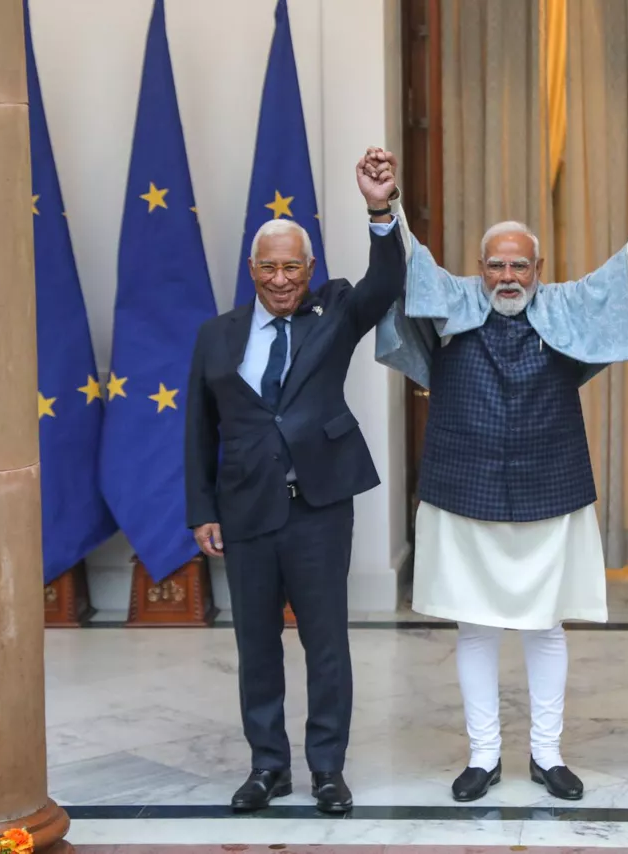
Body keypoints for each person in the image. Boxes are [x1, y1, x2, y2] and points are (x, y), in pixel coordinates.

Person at [370, 152, 628, 802]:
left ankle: (546, 755)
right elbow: (408, 263)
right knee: (474, 626)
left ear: (539, 269)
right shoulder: (449, 303)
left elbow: (626, 275)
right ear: (481, 270)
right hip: (461, 489)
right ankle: (481, 758)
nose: (508, 275)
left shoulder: (566, 307)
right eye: (497, 264)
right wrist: (383, 206)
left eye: (520, 264)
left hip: (551, 487)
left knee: (544, 625)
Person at [184, 149, 405, 814]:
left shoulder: (333, 312)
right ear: (252, 271)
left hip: (318, 507)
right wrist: (202, 510)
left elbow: (386, 279)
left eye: (292, 266)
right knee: (255, 646)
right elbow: (197, 428)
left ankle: (328, 770)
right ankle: (268, 767)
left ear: (310, 271)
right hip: (245, 508)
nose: (281, 278)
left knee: (325, 643)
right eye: (269, 267)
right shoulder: (216, 337)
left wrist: (379, 207)